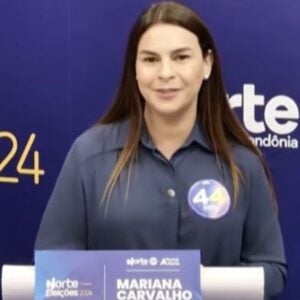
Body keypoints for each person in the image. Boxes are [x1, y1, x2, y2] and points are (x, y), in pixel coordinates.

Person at [35, 1, 287, 298]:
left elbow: (271, 272)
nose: (165, 73)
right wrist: (135, 280)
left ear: (207, 64)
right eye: (151, 60)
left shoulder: (242, 165)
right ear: (135, 69)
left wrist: (195, 282)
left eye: (181, 57)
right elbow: (52, 268)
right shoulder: (89, 154)